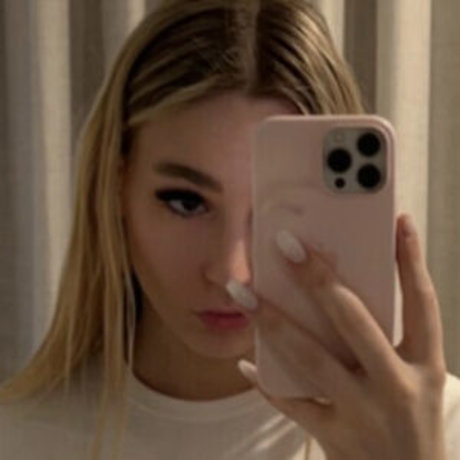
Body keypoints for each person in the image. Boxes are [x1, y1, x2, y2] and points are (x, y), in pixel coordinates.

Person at [1, 1, 459, 459]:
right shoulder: (20, 437)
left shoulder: (441, 432)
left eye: (279, 216)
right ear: (115, 187)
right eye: (186, 203)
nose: (231, 272)